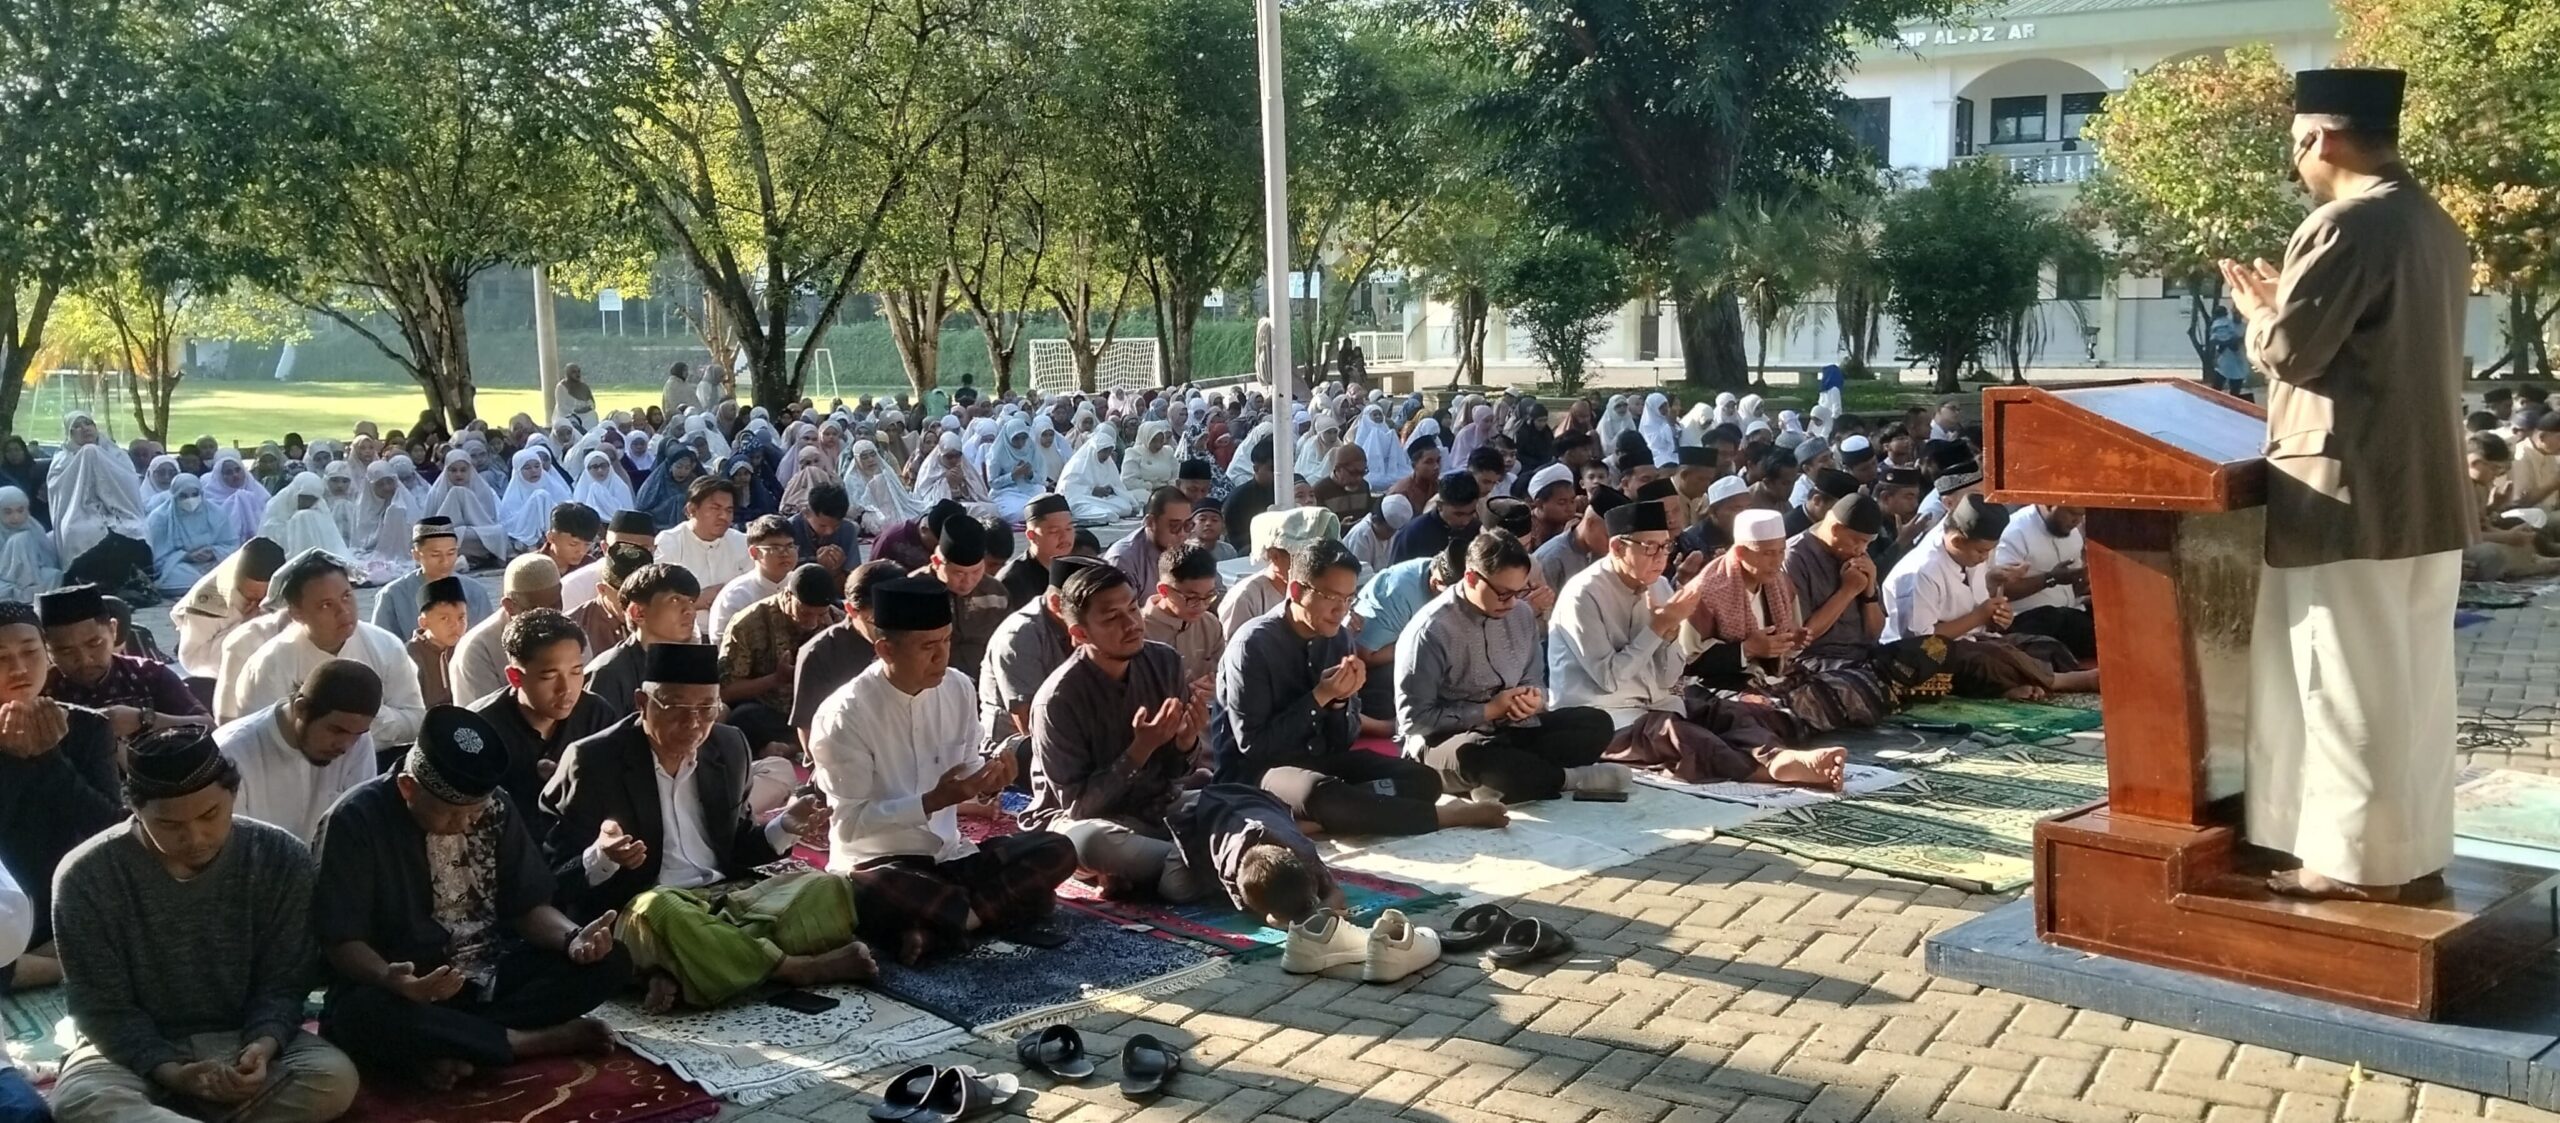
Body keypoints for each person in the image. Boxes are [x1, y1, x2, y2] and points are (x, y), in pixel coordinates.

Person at [49, 729, 360, 1123]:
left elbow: (284, 982)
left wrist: (261, 1047)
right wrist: (171, 1071)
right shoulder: (85, 876)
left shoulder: (280, 857)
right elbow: (102, 1008)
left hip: (242, 1036)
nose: (195, 837)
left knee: (333, 1080)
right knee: (82, 1101)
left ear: (232, 793)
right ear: (136, 810)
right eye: (169, 824)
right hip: (130, 1054)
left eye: (210, 815)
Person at [313, 707, 628, 1090]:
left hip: (488, 976)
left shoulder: (496, 806)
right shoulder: (354, 819)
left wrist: (573, 937)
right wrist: (389, 977)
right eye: (450, 815)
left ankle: (455, 1046)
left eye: (474, 815)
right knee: (359, 1015)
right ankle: (525, 1041)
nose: (465, 824)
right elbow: (340, 940)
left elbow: (527, 906)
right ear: (408, 787)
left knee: (611, 963)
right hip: (406, 991)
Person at [539, 643, 863, 1014]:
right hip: (644, 905)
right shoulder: (593, 760)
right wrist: (602, 856)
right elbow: (556, 879)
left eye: (707, 709)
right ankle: (790, 968)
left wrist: (784, 826)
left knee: (830, 887)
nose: (693, 723)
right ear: (642, 703)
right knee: (660, 910)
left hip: (726, 900)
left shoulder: (728, 745)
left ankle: (678, 967)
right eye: (676, 708)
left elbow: (737, 848)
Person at [805, 576, 1077, 964]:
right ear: (885, 649)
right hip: (881, 864)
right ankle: (989, 912)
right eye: (928, 647)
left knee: (1059, 848)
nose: (942, 657)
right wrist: (932, 801)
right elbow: (849, 825)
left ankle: (948, 924)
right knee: (875, 888)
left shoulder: (957, 688)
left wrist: (989, 782)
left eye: (946, 641)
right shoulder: (844, 714)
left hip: (951, 858)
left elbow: (968, 772)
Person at [1211, 539, 1505, 837]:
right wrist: (1319, 697)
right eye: (1332, 598)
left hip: (1319, 760)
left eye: (1349, 599)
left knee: (1421, 780)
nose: (1342, 611)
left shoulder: (1338, 639)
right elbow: (1254, 746)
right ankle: (1441, 817)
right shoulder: (1253, 645)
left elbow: (1342, 742)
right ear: (1298, 591)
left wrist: (1339, 703)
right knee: (1320, 793)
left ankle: (1326, 818)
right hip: (1259, 772)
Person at [1550, 501, 1845, 789]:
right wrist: (1658, 627)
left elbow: (1667, 679)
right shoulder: (1583, 595)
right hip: (1604, 719)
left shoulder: (1659, 586)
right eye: (1650, 548)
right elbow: (1609, 679)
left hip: (1656, 705)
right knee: (1682, 737)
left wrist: (1667, 638)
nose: (1660, 557)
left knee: (1730, 713)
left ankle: (1776, 757)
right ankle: (1764, 773)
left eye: (1665, 546)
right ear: (1617, 548)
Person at [1023, 564, 1212, 900]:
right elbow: (1079, 807)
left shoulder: (1164, 662)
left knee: (1241, 799)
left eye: (1133, 609)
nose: (1131, 624)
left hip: (1156, 809)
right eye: (1111, 618)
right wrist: (1140, 750)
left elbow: (1175, 776)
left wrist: (1185, 743)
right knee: (1088, 841)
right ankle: (1194, 863)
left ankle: (1175, 865)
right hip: (1093, 823)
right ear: (1080, 634)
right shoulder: (1057, 700)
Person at [1396, 530, 1621, 804]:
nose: (1513, 603)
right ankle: (1567, 779)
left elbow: (1535, 680)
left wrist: (1532, 700)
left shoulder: (1521, 614)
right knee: (1480, 756)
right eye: (1503, 594)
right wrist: (1489, 710)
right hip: (1449, 742)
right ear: (1471, 578)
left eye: (1520, 592)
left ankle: (1512, 780)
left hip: (1512, 729)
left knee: (1594, 724)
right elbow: (1415, 720)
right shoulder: (1431, 631)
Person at [0, 600, 121, 995]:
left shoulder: (86, 727)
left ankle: (53, 958)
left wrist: (49, 760)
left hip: (70, 900)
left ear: (47, 655)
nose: (19, 669)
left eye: (30, 653)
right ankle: (58, 964)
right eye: (2, 658)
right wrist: (16, 764)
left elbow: (109, 830)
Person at [1688, 510, 1892, 732]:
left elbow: (1788, 648)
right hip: (1722, 685)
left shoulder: (1781, 584)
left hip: (1773, 679)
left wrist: (1792, 642)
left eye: (1780, 552)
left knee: (1858, 687)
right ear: (1740, 553)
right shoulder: (1706, 592)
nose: (1776, 562)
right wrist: (1746, 649)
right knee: (1760, 713)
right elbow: (1687, 662)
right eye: (1767, 554)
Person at [1881, 495, 2100, 700]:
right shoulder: (1921, 572)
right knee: (1989, 659)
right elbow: (1920, 642)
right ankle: (2065, 681)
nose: (1985, 558)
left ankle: (2022, 683)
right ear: (1957, 541)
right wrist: (1979, 616)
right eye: (1981, 552)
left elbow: (1980, 613)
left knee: (2041, 646)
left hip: (1971, 639)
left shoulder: (1968, 552)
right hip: (1918, 657)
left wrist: (1995, 618)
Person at [224, 550, 425, 744]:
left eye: (347, 596)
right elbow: (260, 739)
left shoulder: (385, 646)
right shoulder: (269, 665)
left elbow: (415, 720)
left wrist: (371, 717)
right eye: (326, 605)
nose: (343, 611)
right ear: (296, 613)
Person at [472, 609, 613, 834]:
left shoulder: (596, 714)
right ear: (515, 677)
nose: (566, 689)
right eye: (549, 676)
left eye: (576, 672)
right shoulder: (480, 728)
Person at [216, 660, 383, 843]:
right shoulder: (231, 752)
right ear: (301, 709)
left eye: (358, 734)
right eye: (336, 730)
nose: (346, 745)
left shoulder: (358, 742)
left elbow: (360, 827)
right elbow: (231, 848)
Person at [39, 583, 207, 733]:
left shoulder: (150, 676)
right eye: (66, 652)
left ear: (113, 630)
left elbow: (209, 726)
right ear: (46, 649)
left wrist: (144, 719)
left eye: (94, 643)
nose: (84, 659)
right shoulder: (41, 692)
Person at [719, 564, 843, 758]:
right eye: (805, 613)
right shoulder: (747, 623)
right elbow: (725, 691)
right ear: (787, 596)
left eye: (820, 614)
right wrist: (776, 679)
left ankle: (792, 747)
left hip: (820, 710)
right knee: (742, 718)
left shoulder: (837, 621)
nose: (812, 622)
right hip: (772, 711)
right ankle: (799, 746)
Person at [788, 559, 897, 737]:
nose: (890, 629)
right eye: (877, 621)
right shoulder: (820, 653)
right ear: (851, 610)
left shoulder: (912, 639)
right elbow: (809, 729)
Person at [587, 563, 703, 723]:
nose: (689, 610)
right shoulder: (609, 675)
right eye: (675, 600)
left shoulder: (690, 664)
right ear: (638, 612)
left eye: (691, 601)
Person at [451, 554, 563, 708]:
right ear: (509, 606)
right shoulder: (477, 650)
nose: (548, 618)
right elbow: (488, 718)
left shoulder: (569, 632)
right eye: (535, 610)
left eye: (555, 606)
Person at [1993, 504, 2094, 661]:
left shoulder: (2073, 534)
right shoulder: (2015, 532)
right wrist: (2050, 579)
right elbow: (2002, 589)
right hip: (2027, 621)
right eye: (2072, 513)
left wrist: (2086, 582)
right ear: (2049, 504)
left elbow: (2073, 587)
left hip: (2070, 611)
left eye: (2082, 515)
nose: (2077, 521)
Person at [369, 518, 497, 636]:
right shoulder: (391, 595)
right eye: (435, 555)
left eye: (451, 553)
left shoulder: (476, 591)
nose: (445, 561)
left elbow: (488, 639)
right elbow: (381, 646)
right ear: (416, 555)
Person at [925, 515, 1008, 687]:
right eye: (959, 573)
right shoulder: (915, 594)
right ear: (936, 562)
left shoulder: (997, 593)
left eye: (976, 571)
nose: (968, 581)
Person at [656, 477, 750, 613]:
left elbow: (753, 589)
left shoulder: (741, 542)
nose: (724, 516)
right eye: (715, 508)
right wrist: (696, 600)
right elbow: (659, 598)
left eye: (729, 510)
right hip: (684, 630)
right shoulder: (670, 542)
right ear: (691, 510)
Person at [1142, 544, 1226, 684]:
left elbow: (1222, 674)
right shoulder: (1140, 631)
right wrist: (1184, 694)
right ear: (1163, 591)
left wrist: (1215, 688)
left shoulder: (1211, 624)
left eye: (1209, 596)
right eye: (1192, 598)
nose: (1201, 606)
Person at [707, 515, 798, 643]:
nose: (785, 553)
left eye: (790, 546)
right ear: (754, 553)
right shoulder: (736, 595)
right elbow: (722, 643)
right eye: (775, 548)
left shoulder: (803, 584)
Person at [559, 510, 652, 614]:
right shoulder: (574, 587)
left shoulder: (664, 584)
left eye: (643, 549)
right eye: (622, 548)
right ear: (605, 548)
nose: (633, 555)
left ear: (654, 550)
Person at [1535, 484, 1621, 595]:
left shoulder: (1605, 554)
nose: (1612, 545)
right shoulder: (1551, 558)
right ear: (1591, 524)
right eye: (1608, 537)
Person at [1104, 487, 1193, 591]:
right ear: (1150, 522)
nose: (1182, 533)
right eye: (1175, 526)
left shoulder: (1188, 550)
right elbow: (1118, 606)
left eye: (1187, 525)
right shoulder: (1124, 559)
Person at [999, 494, 1076, 609]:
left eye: (1069, 528)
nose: (1065, 537)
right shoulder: (1012, 580)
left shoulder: (1077, 569)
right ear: (1032, 535)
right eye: (1054, 531)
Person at [1390, 472, 1481, 565]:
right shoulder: (1412, 535)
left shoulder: (1476, 530)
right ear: (1440, 506)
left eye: (1471, 513)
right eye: (1458, 514)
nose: (1465, 521)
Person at [406, 576, 471, 710]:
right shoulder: (409, 655)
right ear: (424, 623)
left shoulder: (470, 648)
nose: (456, 625)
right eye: (444, 618)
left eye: (461, 617)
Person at [789, 481, 863, 586]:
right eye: (822, 526)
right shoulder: (789, 530)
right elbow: (782, 580)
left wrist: (836, 571)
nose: (830, 531)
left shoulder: (847, 530)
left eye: (836, 526)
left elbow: (853, 585)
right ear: (806, 513)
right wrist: (819, 569)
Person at [1220, 441, 1278, 551]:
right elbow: (1233, 539)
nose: (1277, 474)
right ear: (1256, 468)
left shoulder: (1286, 491)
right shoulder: (1238, 498)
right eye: (1272, 469)